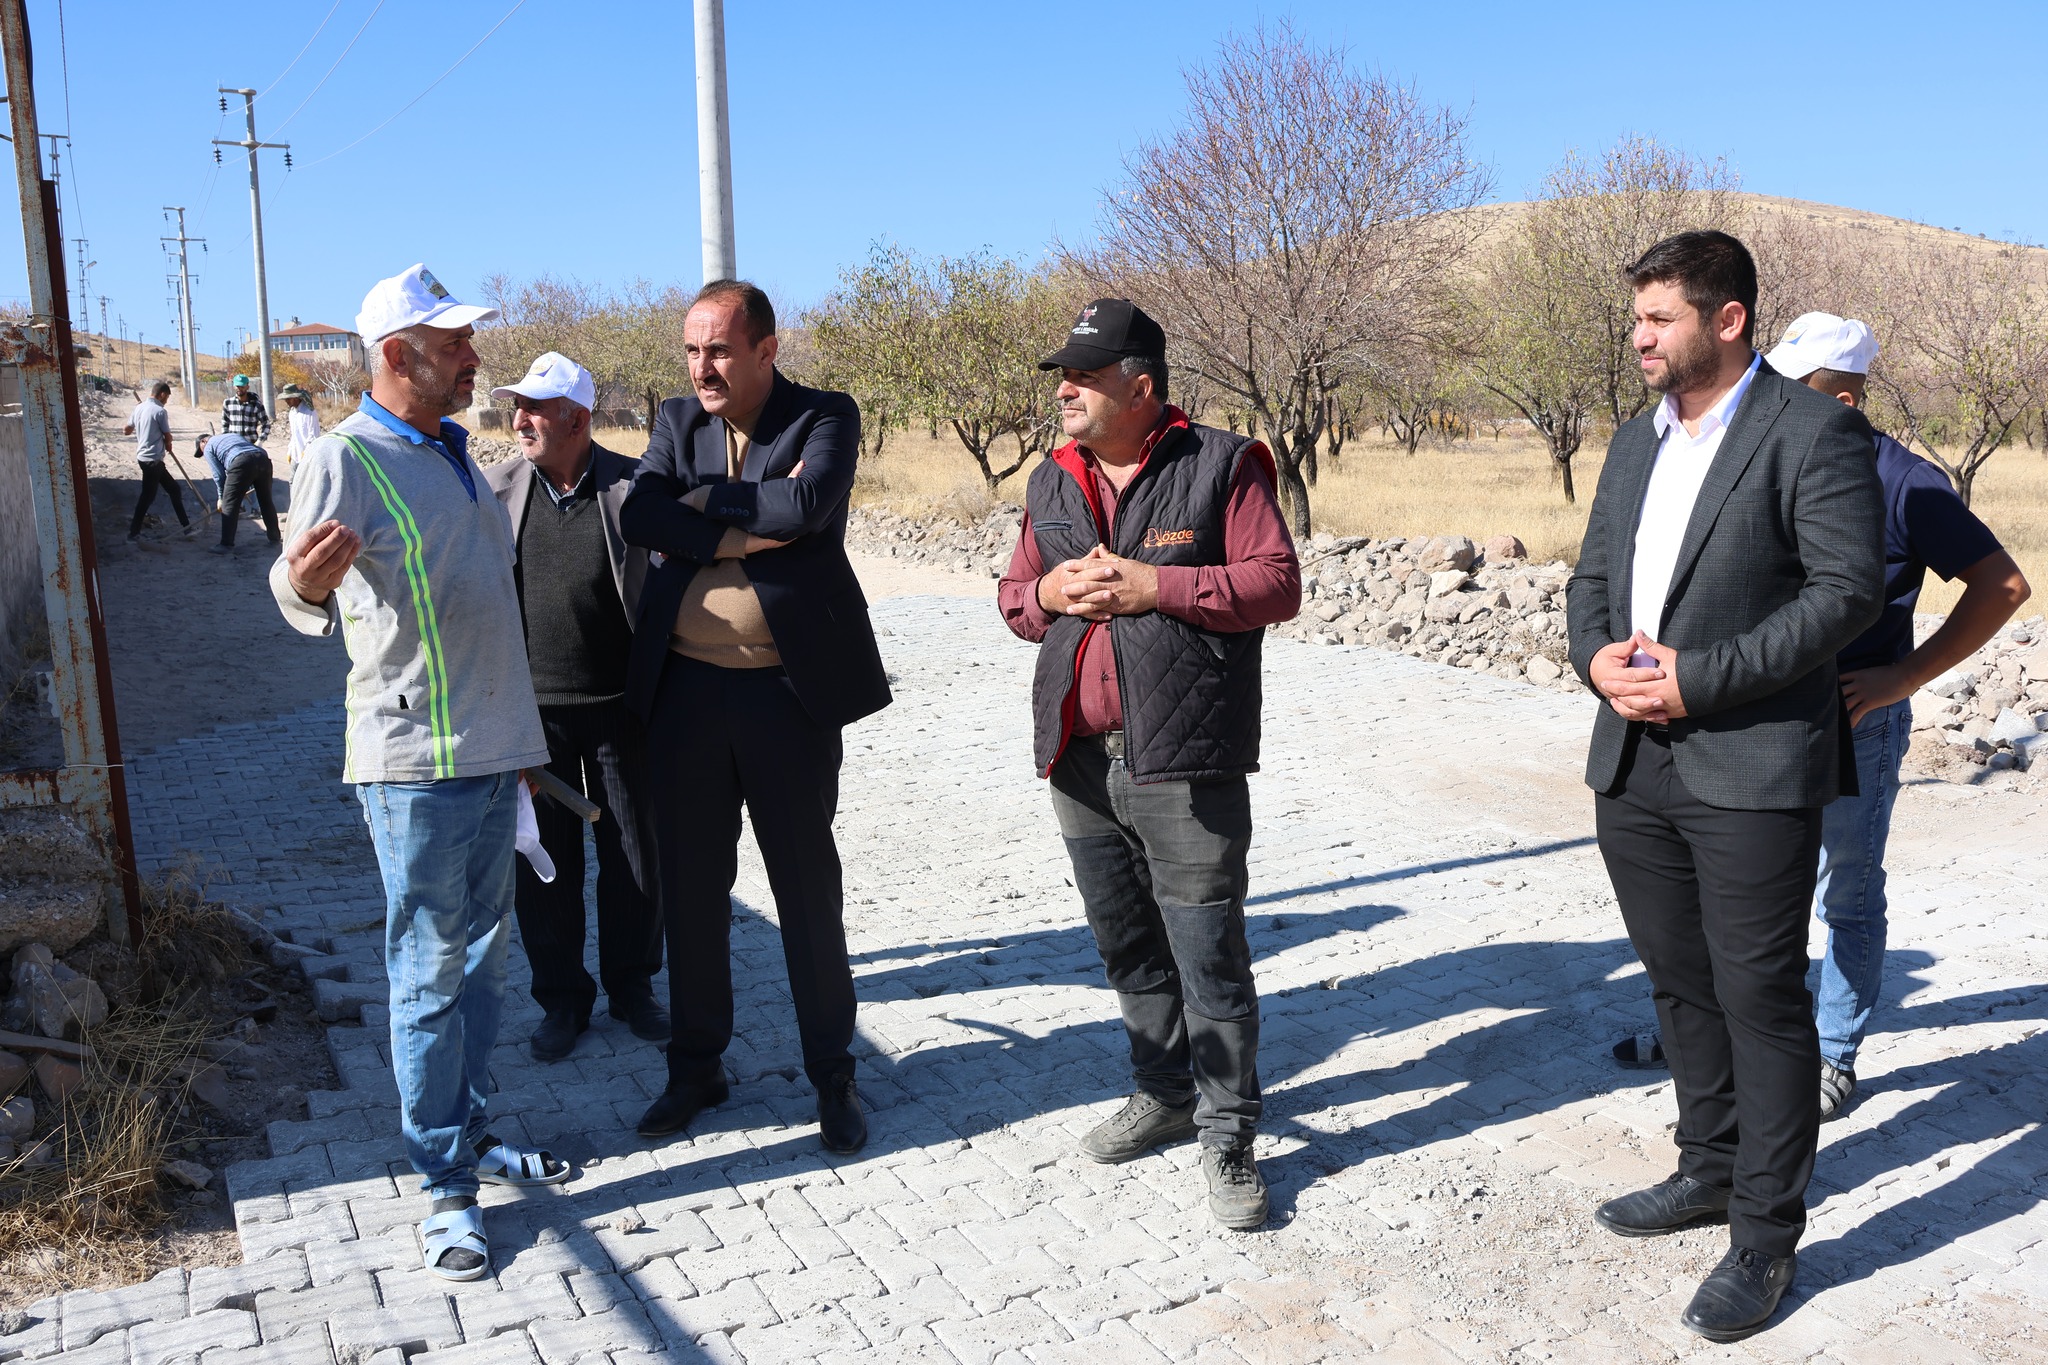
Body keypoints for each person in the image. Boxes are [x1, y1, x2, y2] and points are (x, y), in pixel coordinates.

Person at [1567, 232, 1884, 1343]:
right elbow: (1592, 581)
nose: (1638, 338)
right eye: (1637, 319)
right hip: (1631, 763)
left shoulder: (1813, 434)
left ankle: (1764, 1234)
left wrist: (1697, 682)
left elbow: (1844, 593)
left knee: (1758, 997)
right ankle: (1706, 1166)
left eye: (1657, 318)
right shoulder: (1628, 442)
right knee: (1678, 982)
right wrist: (1594, 657)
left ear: (1727, 319)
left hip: (1750, 762)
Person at [1608, 314, 2033, 1120]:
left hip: (1850, 723)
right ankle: (1708, 1036)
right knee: (1726, 891)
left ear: (1839, 398)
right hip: (1744, 721)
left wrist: (1904, 676)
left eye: (1783, 390)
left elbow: (2003, 586)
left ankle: (1834, 1052)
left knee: (1846, 891)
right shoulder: (1750, 455)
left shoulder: (1904, 482)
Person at [269, 263, 570, 1283]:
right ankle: (445, 1191)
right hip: (417, 767)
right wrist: (304, 587)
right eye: (453, 344)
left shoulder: (449, 449)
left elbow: (485, 605)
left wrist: (523, 748)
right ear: (397, 356)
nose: (473, 358)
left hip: (490, 757)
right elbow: (293, 585)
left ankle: (471, 1133)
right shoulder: (348, 458)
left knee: (480, 969)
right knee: (430, 979)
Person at [996, 299, 1302, 1231]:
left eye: (1084, 375)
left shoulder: (1221, 463)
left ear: (1141, 385)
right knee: (1125, 941)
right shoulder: (1051, 480)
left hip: (1186, 757)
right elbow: (1015, 599)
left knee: (1207, 951)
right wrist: (1048, 590)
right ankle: (1163, 1092)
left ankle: (1230, 1134)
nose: (1065, 390)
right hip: (1078, 758)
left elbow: (1276, 582)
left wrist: (1155, 585)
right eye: (1064, 374)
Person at [618, 279, 891, 1153]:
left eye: (721, 350)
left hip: (786, 694)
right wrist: (741, 520)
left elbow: (807, 507)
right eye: (693, 350)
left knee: (806, 892)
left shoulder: (823, 416)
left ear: (767, 349)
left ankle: (832, 1075)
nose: (703, 367)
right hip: (686, 693)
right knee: (693, 891)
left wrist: (707, 509)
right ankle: (696, 1065)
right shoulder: (674, 420)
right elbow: (642, 512)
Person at [480, 351, 667, 1062]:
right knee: (543, 864)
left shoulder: (634, 487)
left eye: (534, 407)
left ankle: (633, 987)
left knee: (636, 857)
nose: (518, 419)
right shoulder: (495, 491)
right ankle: (562, 999)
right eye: (516, 405)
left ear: (577, 418)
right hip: (535, 718)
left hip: (624, 710)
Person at [124, 380, 190, 541]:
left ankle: (186, 527)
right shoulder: (159, 411)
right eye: (166, 397)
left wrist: (142, 426)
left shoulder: (139, 408)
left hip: (145, 458)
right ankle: (133, 533)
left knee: (174, 490)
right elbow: (167, 435)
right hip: (152, 459)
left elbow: (126, 430)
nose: (166, 401)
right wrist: (168, 442)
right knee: (147, 496)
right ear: (161, 394)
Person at [198, 431, 280, 554]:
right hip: (262, 459)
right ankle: (274, 537)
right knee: (266, 501)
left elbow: (219, 476)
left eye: (201, 450)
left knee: (229, 504)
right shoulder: (231, 436)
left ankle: (226, 544)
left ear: (203, 441)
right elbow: (258, 452)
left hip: (241, 461)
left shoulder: (209, 446)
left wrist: (222, 497)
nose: (203, 454)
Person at [221, 371, 272, 444]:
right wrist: (226, 439)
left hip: (250, 444)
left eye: (242, 386)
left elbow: (266, 424)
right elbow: (224, 423)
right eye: (237, 386)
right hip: (234, 444)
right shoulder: (228, 403)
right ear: (234, 386)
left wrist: (260, 440)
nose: (239, 389)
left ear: (247, 386)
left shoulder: (256, 405)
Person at [282, 383, 322, 471]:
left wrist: (307, 452)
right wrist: (290, 451)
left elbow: (314, 435)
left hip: (307, 458)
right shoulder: (292, 413)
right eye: (285, 399)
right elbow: (294, 435)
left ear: (296, 398)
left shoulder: (309, 412)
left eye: (289, 399)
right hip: (295, 455)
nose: (286, 401)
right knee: (292, 482)